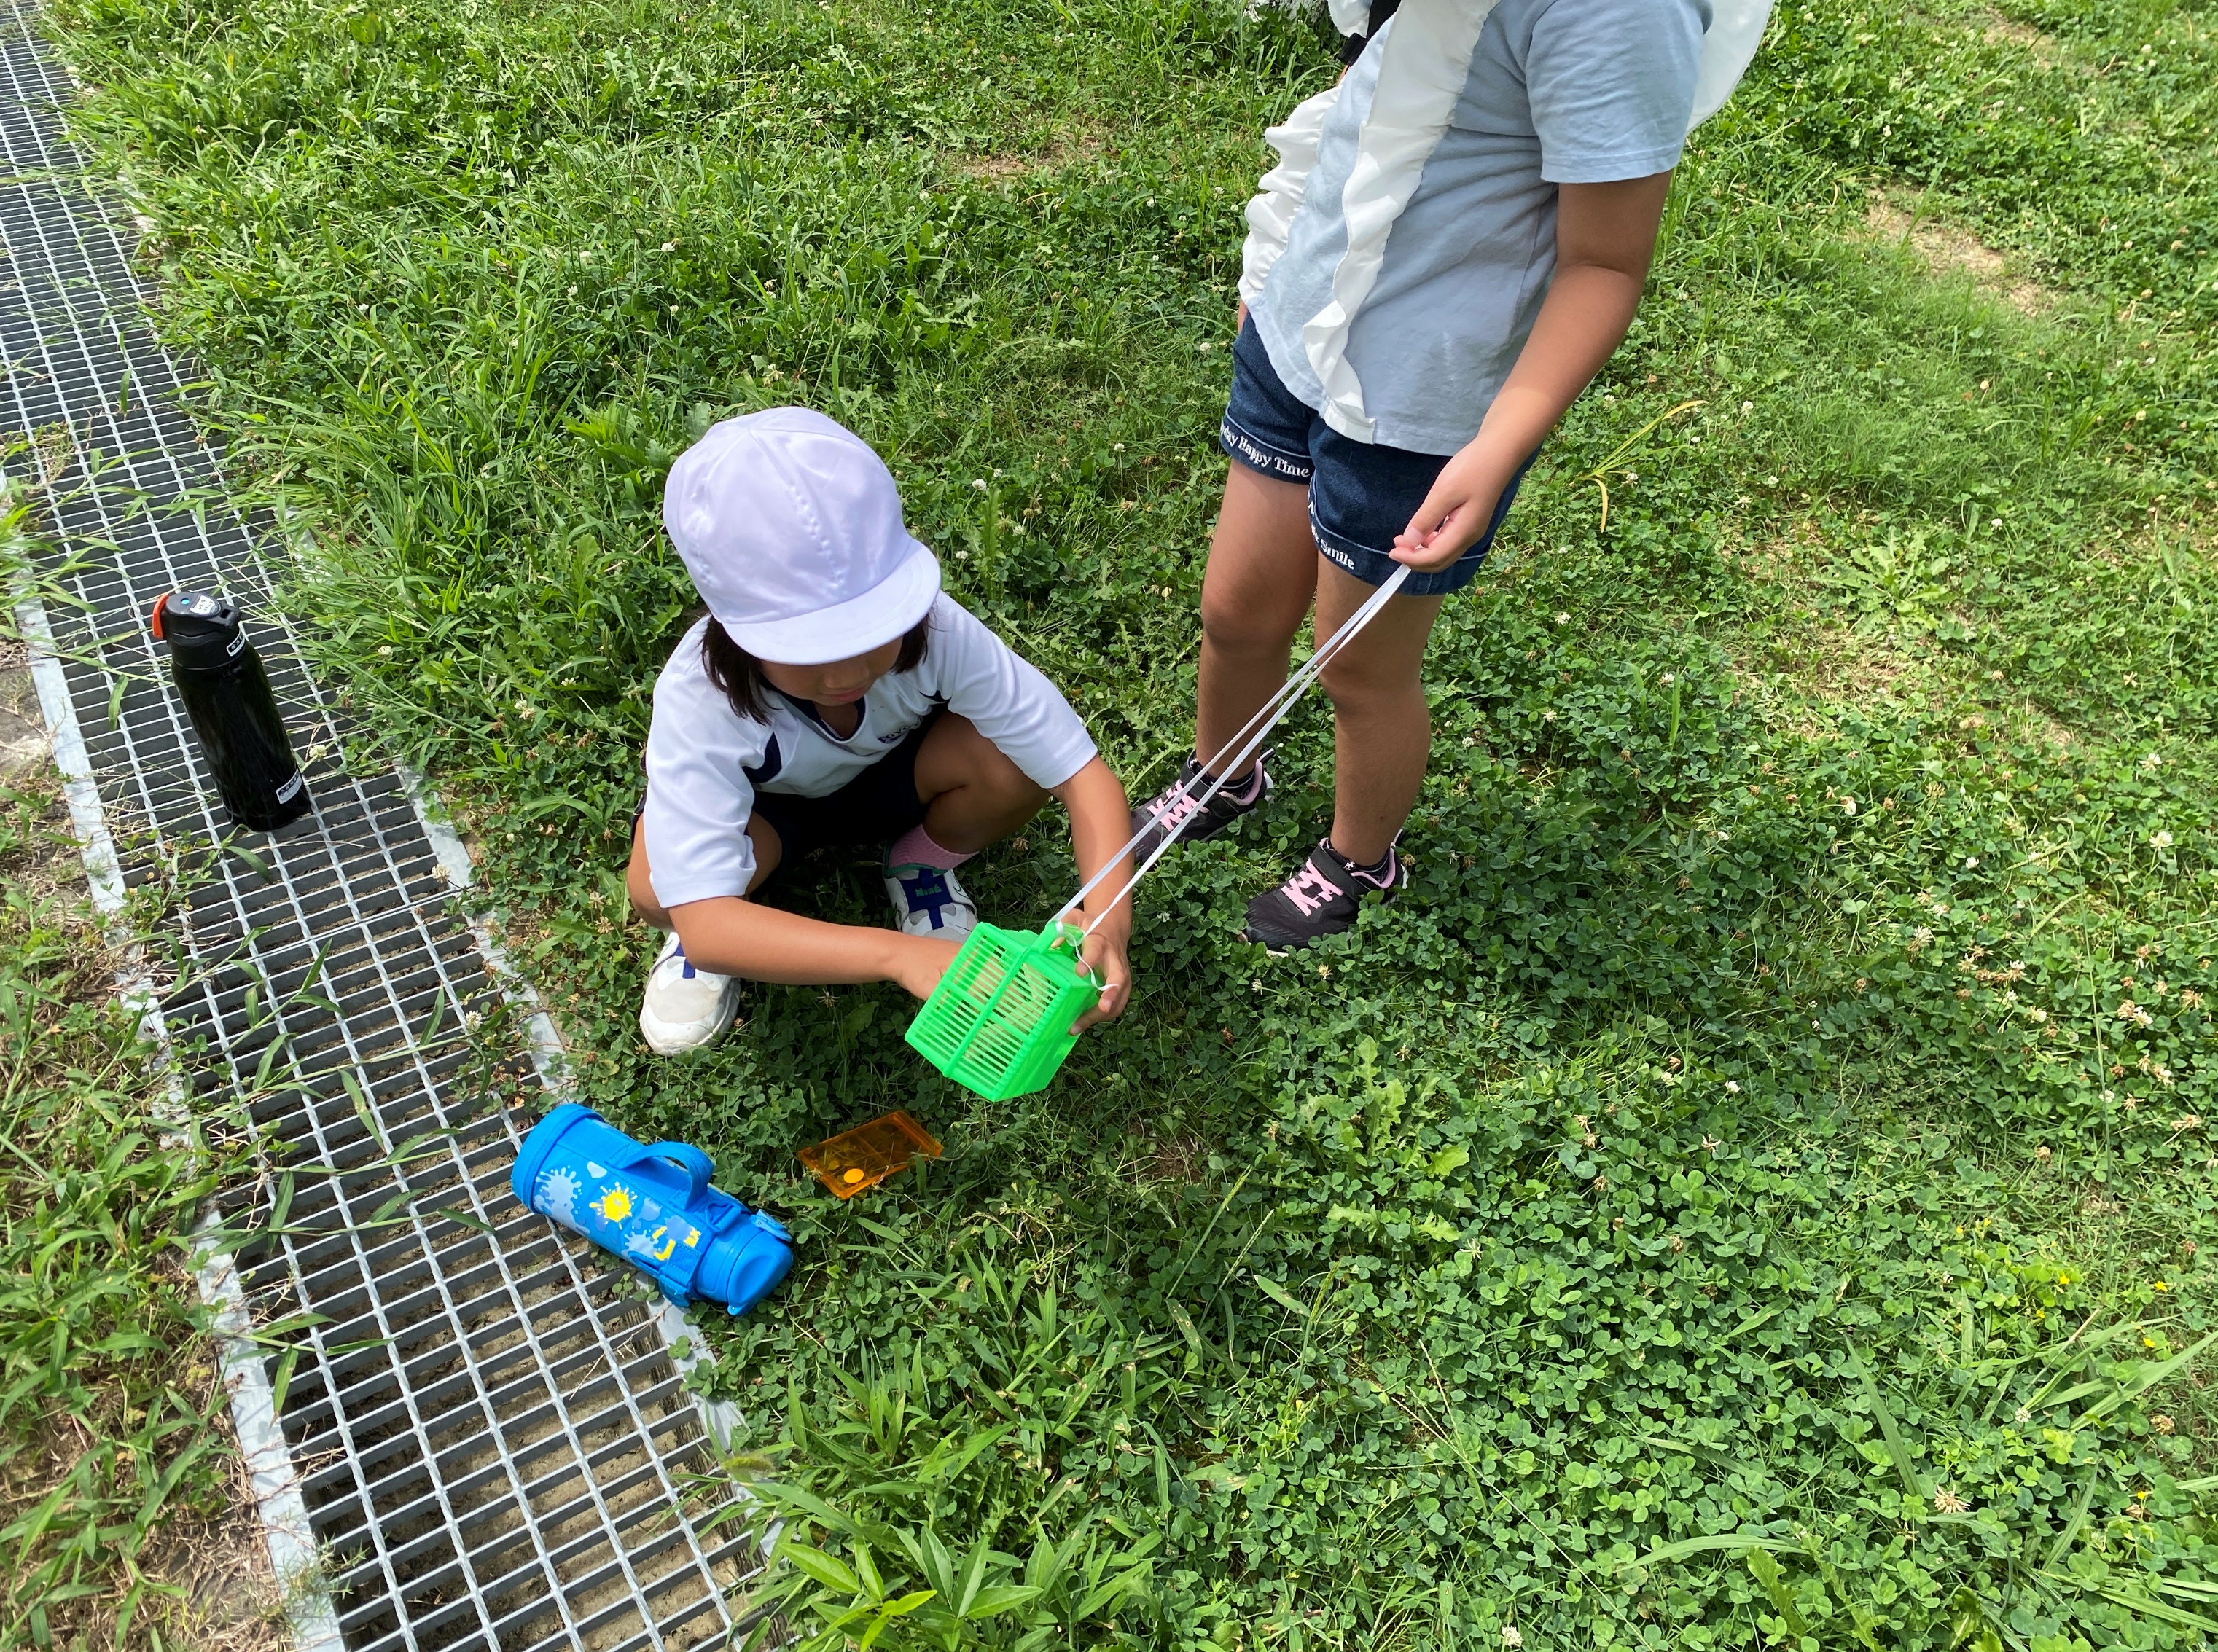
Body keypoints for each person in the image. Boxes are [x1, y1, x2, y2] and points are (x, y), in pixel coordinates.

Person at [1132, 0, 1722, 948]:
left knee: (1356, 664)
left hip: (1419, 413)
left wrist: (1493, 447)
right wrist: (1270, 260)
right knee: (1236, 608)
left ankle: (1360, 854)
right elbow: (1364, 97)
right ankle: (1224, 770)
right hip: (1299, 335)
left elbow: (1604, 264)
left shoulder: (1619, 14)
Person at [628, 408, 1135, 1054]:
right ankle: (738, 911)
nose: (848, 672)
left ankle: (921, 863)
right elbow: (704, 925)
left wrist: (1108, 919)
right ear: (732, 624)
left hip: (894, 779)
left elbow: (1082, 777)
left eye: (871, 630)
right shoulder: (699, 695)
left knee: (1013, 763)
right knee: (659, 890)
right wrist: (899, 957)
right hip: (764, 814)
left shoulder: (941, 630)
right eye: (806, 647)